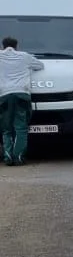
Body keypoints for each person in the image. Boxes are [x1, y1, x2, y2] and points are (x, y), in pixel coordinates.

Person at [0, 35, 44, 166]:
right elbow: (40, 65)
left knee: (6, 128)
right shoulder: (25, 56)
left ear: (3, 46)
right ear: (16, 46)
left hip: (4, 94)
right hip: (22, 94)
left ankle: (8, 157)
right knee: (21, 127)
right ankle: (18, 157)